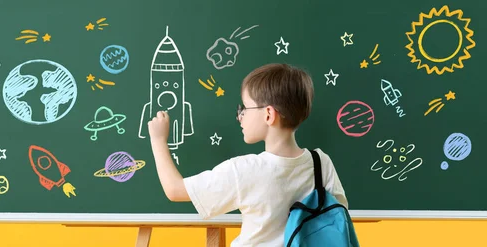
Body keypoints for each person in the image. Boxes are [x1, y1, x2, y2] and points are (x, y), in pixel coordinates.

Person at [147, 63, 348, 246]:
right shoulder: (321, 162)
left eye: (245, 108)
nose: (240, 116)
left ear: (268, 114)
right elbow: (338, 217)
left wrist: (158, 140)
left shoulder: (245, 170)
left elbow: (174, 190)